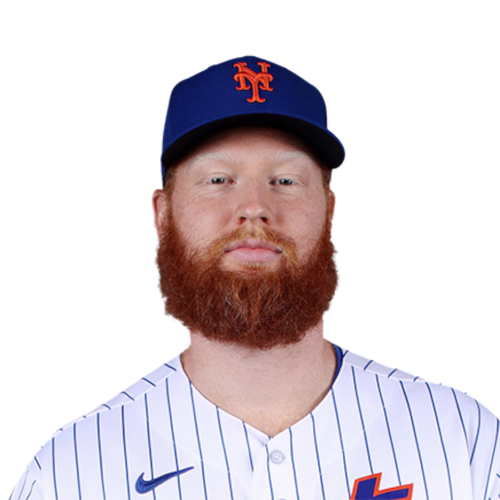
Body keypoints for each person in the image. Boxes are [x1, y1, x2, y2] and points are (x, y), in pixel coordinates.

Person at [9, 55, 499, 500]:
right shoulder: (71, 470)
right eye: (218, 179)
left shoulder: (464, 437)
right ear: (162, 214)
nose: (254, 208)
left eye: (285, 180)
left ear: (330, 212)